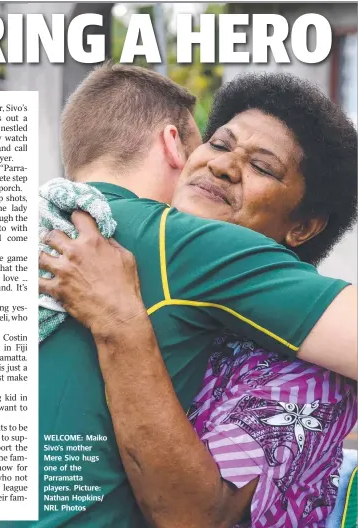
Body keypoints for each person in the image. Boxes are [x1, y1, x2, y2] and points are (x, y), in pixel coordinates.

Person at [35, 64, 357, 528]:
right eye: (220, 144)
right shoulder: (110, 247)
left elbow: (196, 519)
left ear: (302, 227)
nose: (223, 165)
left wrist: (121, 324)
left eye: (262, 167)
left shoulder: (307, 373)